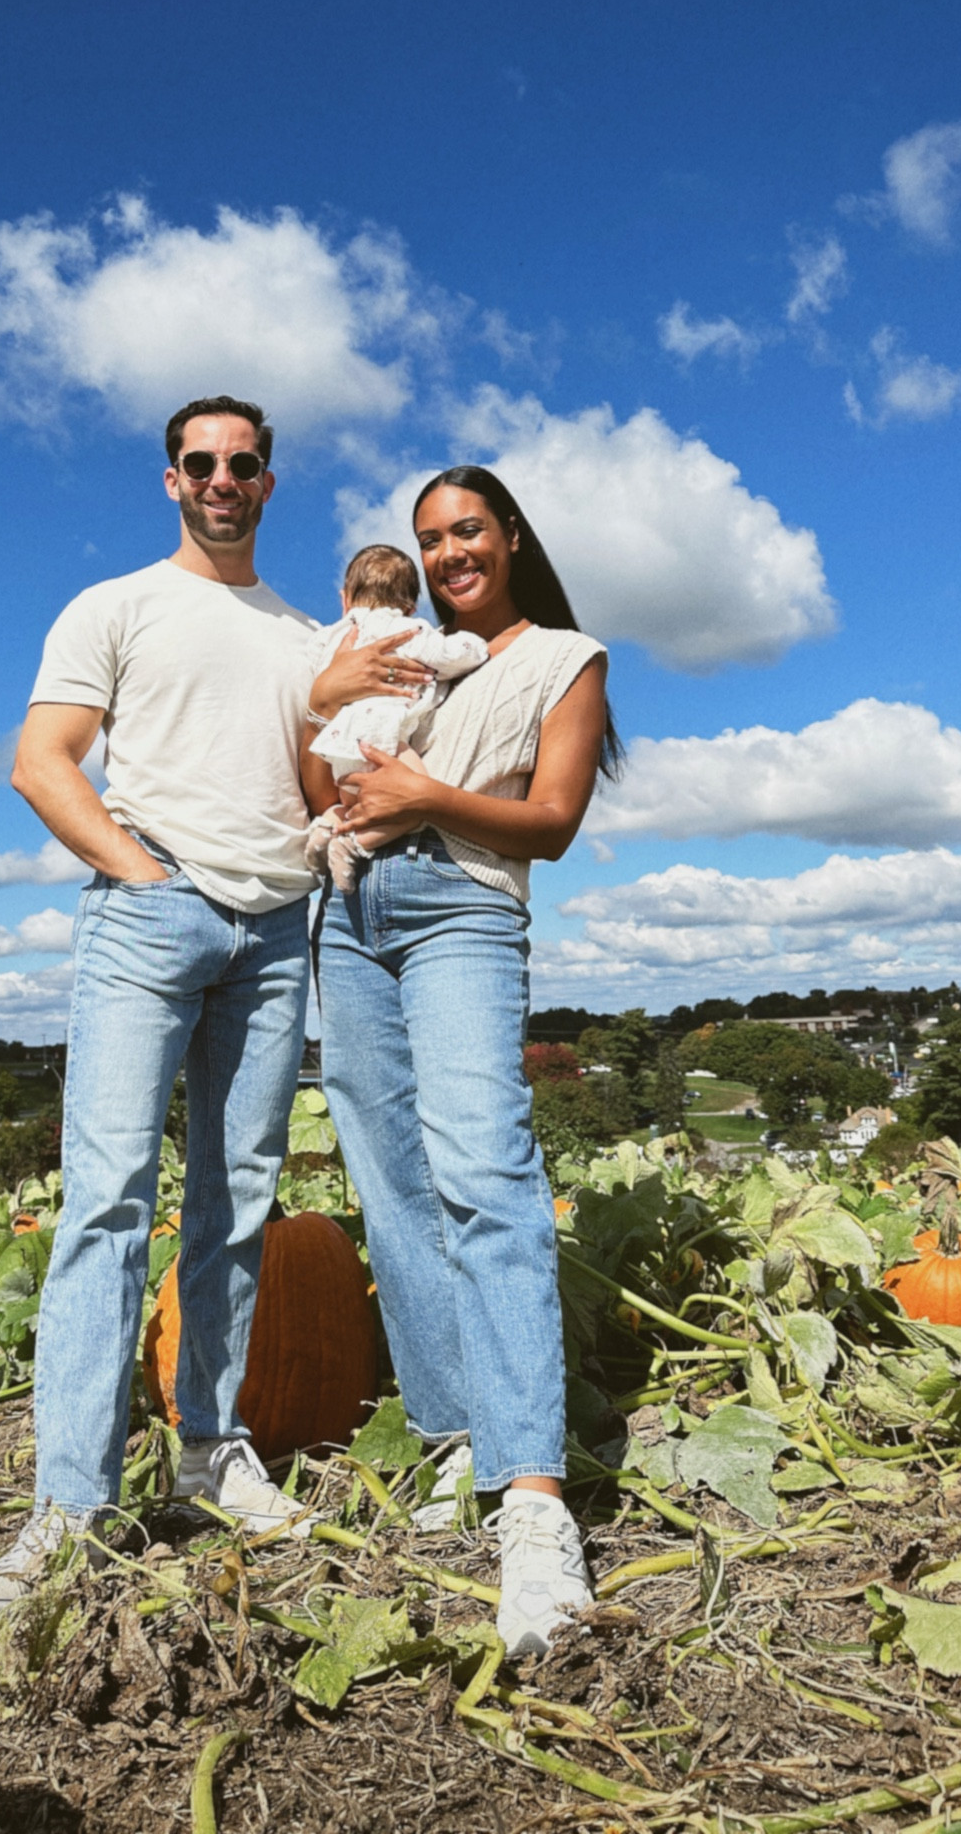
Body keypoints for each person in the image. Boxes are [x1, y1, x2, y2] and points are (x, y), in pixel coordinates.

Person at [0, 394, 319, 1627]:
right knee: (107, 1198)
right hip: (151, 915)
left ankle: (210, 1450)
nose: (221, 477)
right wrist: (143, 875)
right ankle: (71, 1506)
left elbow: (330, 769)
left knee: (236, 1198)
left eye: (242, 462)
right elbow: (41, 760)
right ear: (171, 479)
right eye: (200, 461)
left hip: (275, 934)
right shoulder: (114, 605)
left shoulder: (305, 636)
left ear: (268, 481)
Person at [304, 465, 622, 1659]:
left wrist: (428, 795)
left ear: (512, 534)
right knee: (391, 1179)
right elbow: (325, 769)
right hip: (349, 910)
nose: (449, 554)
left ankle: (532, 1495)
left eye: (469, 530)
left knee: (484, 1169)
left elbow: (554, 821)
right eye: (432, 538)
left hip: (461, 905)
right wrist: (331, 710)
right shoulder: (398, 652)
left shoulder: (564, 658)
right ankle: (454, 1433)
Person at [303, 543, 488, 890]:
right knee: (418, 801)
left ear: (346, 599)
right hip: (382, 738)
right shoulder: (408, 631)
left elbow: (313, 671)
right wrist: (477, 645)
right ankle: (352, 844)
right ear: (411, 605)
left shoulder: (330, 637)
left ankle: (326, 825)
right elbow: (451, 656)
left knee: (354, 800)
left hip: (337, 744)